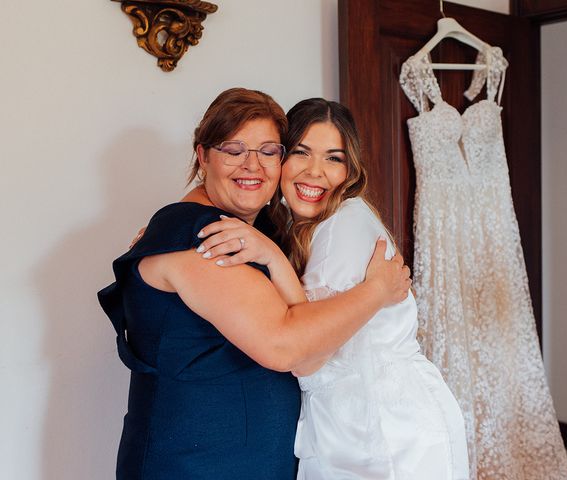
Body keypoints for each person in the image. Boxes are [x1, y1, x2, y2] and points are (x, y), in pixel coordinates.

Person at [98, 88, 411, 480]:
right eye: (234, 150)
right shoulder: (204, 236)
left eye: (269, 151)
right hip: (194, 467)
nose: (253, 166)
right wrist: (377, 291)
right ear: (203, 156)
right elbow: (287, 349)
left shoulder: (252, 234)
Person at [196, 98, 470, 479]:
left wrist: (273, 258)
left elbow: (308, 357)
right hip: (355, 422)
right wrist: (168, 227)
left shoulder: (343, 225)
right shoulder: (298, 229)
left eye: (333, 159)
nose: (315, 173)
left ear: (350, 169)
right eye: (302, 153)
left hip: (384, 432)